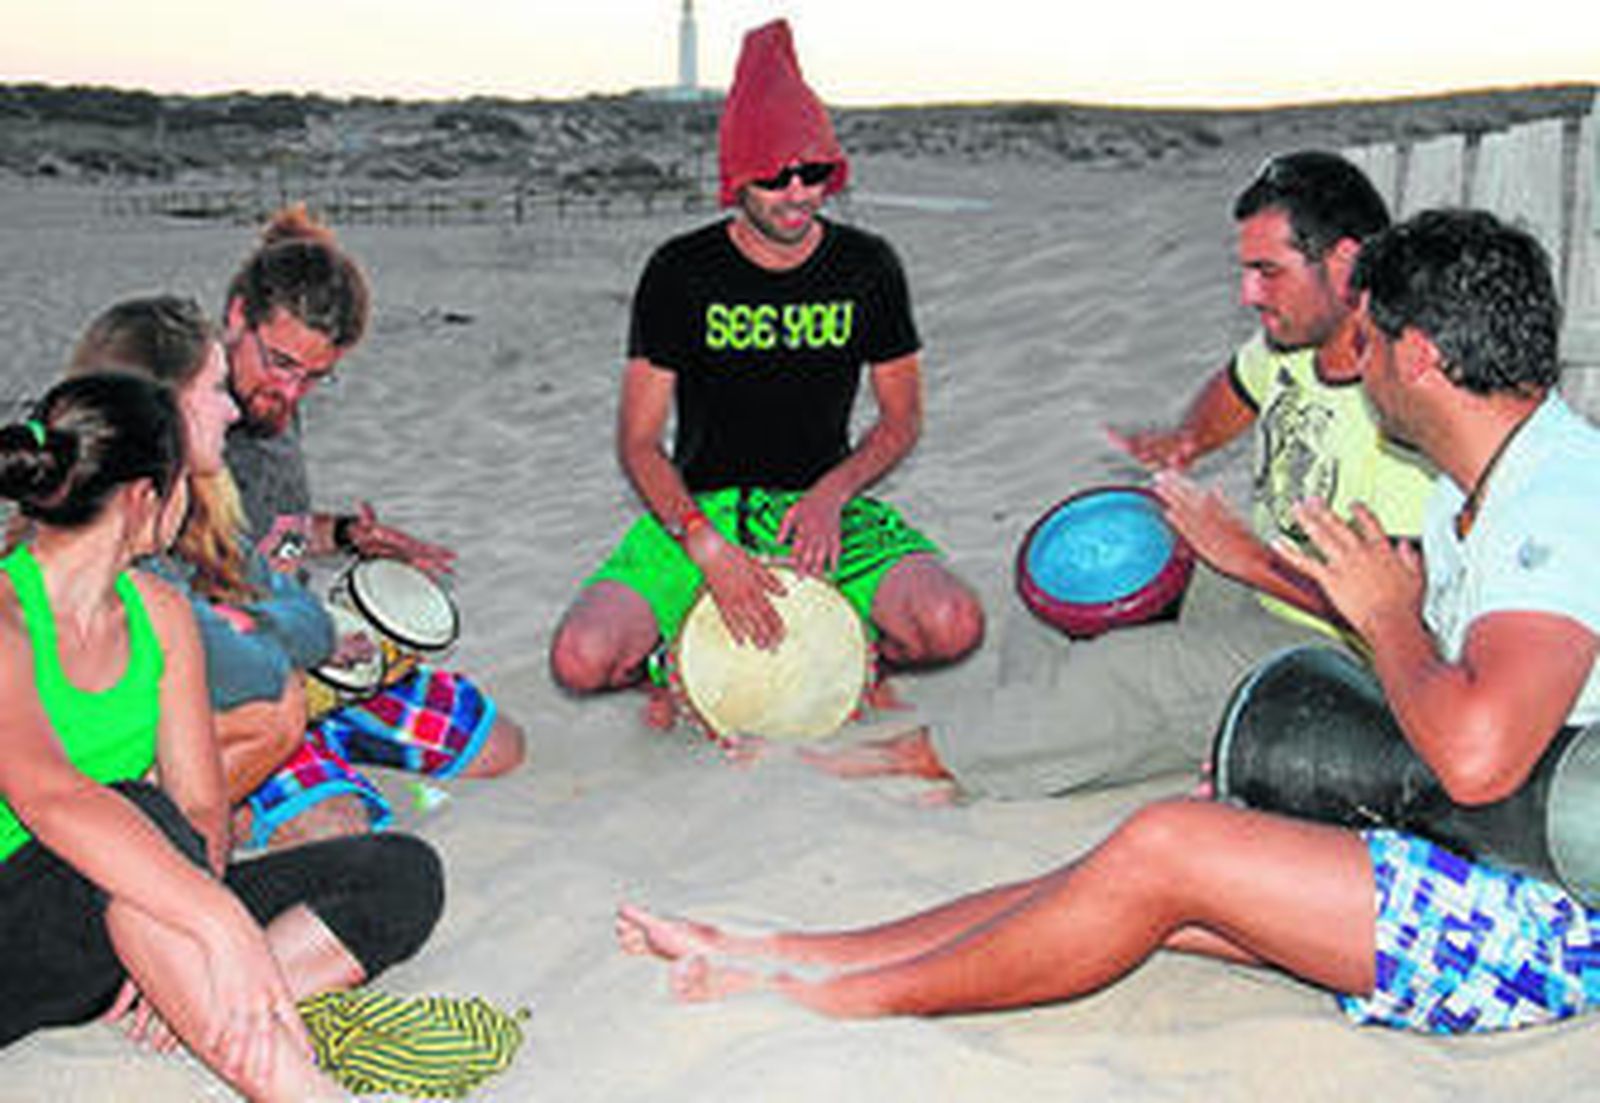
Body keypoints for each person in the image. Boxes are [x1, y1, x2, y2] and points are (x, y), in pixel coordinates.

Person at [617, 209, 1600, 1034]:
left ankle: (828, 1000)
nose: (1360, 361)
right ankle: (792, 947)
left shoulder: (1558, 499)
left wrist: (1385, 617)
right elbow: (1464, 709)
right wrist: (1315, 740)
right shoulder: (1478, 483)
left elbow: (1476, 754)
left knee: (1167, 847)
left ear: (1420, 355)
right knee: (1135, 871)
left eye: (1373, 338)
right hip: (1481, 847)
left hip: (1552, 926)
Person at [799, 150, 1436, 798]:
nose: (1249, 293)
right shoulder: (1294, 341)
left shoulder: (1407, 406)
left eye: (1267, 271)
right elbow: (1239, 385)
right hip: (1262, 583)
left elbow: (1395, 617)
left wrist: (1243, 557)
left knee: (1121, 669)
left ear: (1347, 261)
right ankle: (1029, 740)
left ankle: (938, 754)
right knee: (1068, 576)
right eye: (1246, 270)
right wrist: (1188, 438)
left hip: (1339, 655)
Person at [0, 374, 443, 1099]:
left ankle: (198, 1004)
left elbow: (204, 808)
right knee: (134, 813)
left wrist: (195, 919)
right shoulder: (7, 616)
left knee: (400, 873)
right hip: (21, 931)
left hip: (132, 919)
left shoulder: (162, 614)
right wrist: (218, 925)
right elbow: (48, 797)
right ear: (150, 496)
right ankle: (293, 1082)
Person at [548, 19, 983, 705]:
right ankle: (679, 672)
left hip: (819, 509)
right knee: (581, 658)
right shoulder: (679, 271)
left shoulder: (867, 266)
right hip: (704, 509)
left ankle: (851, 660)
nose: (800, 193)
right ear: (737, 179)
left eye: (814, 173)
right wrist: (704, 543)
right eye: (777, 176)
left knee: (952, 623)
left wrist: (833, 495)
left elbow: (900, 421)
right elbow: (638, 441)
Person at [71, 294, 523, 851]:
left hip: (294, 671)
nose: (233, 408)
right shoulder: (115, 538)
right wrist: (281, 632)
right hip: (234, 717)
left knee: (499, 747)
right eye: (215, 391)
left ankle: (328, 741)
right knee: (342, 833)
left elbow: (281, 577)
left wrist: (339, 550)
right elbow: (238, 664)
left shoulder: (208, 490)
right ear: (160, 407)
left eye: (316, 374)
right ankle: (246, 806)